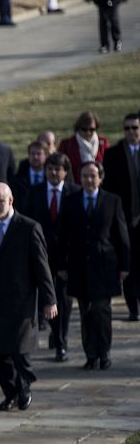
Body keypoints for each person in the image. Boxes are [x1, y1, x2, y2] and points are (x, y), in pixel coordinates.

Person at [0, 183, 57, 411]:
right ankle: (10, 393)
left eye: (1, 201)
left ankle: (25, 386)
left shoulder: (29, 227)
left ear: (11, 201)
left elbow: (41, 267)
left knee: (20, 351)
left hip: (20, 303)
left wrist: (50, 299)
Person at [58, 161, 131, 370]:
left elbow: (121, 235)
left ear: (100, 177)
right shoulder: (71, 201)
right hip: (79, 266)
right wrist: (61, 265)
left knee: (102, 310)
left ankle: (104, 352)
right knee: (86, 312)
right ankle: (90, 354)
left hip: (104, 265)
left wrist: (124, 265)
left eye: (92, 176)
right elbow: (63, 236)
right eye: (84, 176)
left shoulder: (112, 200)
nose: (89, 180)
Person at [26, 152, 81, 362]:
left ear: (66, 172)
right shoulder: (35, 192)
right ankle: (54, 334)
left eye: (58, 169)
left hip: (66, 259)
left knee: (64, 303)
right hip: (42, 256)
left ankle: (61, 343)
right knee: (46, 300)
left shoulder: (74, 193)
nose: (53, 172)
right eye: (50, 169)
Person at [102, 112, 140, 320]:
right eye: (127, 128)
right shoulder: (113, 154)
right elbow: (109, 189)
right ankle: (133, 307)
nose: (131, 132)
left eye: (135, 127)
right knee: (128, 262)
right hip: (124, 218)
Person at [57, 110, 110, 183]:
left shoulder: (103, 143)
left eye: (92, 129)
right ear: (78, 128)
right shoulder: (67, 144)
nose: (88, 132)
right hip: (75, 187)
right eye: (84, 129)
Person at [9, 140, 50, 213]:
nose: (35, 157)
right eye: (32, 154)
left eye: (39, 154)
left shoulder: (50, 178)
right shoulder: (17, 180)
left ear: (46, 155)